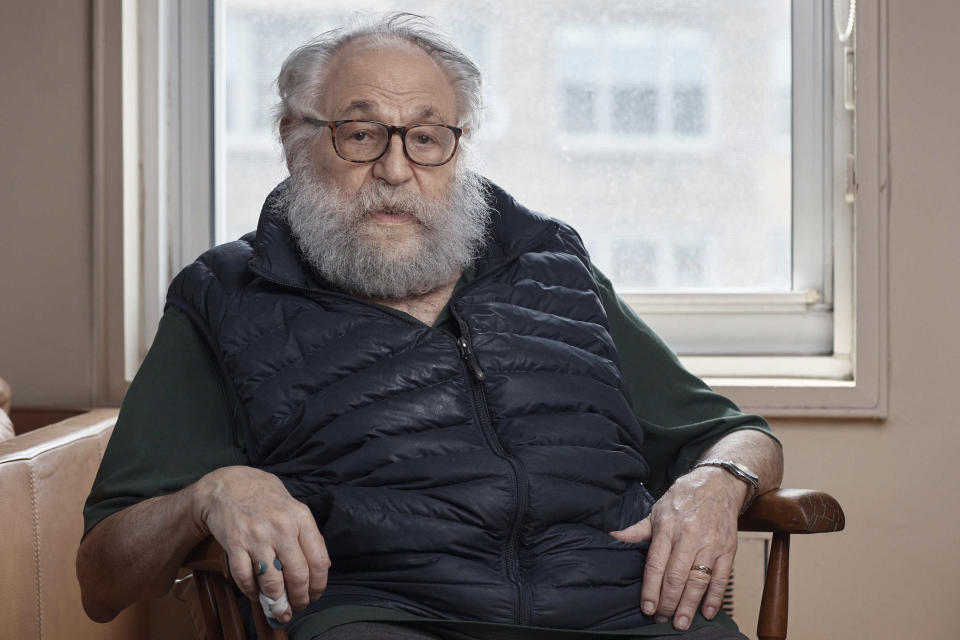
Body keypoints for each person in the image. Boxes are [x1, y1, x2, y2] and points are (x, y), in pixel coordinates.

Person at [77, 13, 782, 640]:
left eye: (426, 137)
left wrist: (719, 481)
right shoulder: (225, 294)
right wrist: (212, 493)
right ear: (296, 141)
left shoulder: (549, 262)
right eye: (359, 134)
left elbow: (735, 432)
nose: (395, 168)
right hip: (391, 616)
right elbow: (103, 576)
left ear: (457, 148)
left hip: (630, 614)